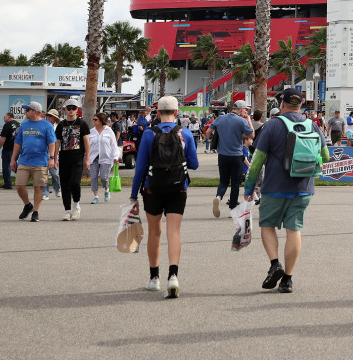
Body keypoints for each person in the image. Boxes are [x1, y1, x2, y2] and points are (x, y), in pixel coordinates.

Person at [244, 88, 321, 293]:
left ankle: (274, 264)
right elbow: (326, 155)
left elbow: (257, 161)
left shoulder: (273, 125)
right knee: (294, 230)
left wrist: (250, 188)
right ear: (301, 104)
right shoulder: (311, 124)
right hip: (303, 187)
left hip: (274, 187)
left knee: (267, 225)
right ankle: (287, 279)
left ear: (282, 103)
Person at [129, 95, 199, 298]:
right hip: (178, 188)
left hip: (153, 188)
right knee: (173, 232)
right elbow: (193, 164)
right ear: (176, 113)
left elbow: (140, 166)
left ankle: (154, 278)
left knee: (155, 232)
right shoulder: (185, 133)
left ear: (157, 113)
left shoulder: (150, 134)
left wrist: (134, 194)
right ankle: (174, 276)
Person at [11, 101, 58, 222]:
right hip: (24, 160)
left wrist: (51, 158)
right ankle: (28, 205)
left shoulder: (47, 125)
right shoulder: (24, 125)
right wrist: (13, 159)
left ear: (35, 112)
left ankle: (36, 212)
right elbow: (18, 143)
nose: (25, 112)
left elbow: (52, 143)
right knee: (19, 186)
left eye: (27, 110)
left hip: (40, 162)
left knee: (38, 187)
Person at [211, 101, 253, 218]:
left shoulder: (220, 118)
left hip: (222, 155)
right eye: (245, 109)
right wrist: (249, 120)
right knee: (235, 183)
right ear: (240, 109)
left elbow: (209, 131)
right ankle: (233, 208)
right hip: (236, 155)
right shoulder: (241, 121)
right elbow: (251, 135)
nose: (245, 111)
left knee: (223, 181)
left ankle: (218, 197)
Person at [54, 98, 90, 221]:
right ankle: (67, 211)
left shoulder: (82, 123)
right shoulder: (61, 125)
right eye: (68, 108)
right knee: (64, 185)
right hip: (64, 158)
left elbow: (86, 141)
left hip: (77, 158)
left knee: (74, 182)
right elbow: (57, 142)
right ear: (65, 109)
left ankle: (77, 206)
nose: (71, 110)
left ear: (77, 110)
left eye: (73, 108)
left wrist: (87, 158)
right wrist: (54, 158)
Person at [89, 112, 120, 204]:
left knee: (103, 177)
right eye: (93, 119)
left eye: (96, 119)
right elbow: (87, 145)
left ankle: (106, 189)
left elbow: (114, 145)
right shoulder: (91, 131)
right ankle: (96, 196)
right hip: (93, 157)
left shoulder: (109, 131)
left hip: (106, 157)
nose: (94, 121)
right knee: (94, 177)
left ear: (101, 121)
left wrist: (115, 157)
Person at [0, 111, 18, 189]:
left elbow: (3, 138)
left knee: (6, 166)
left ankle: (8, 184)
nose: (4, 118)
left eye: (4, 117)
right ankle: (23, 179)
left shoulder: (7, 125)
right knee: (14, 164)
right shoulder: (19, 124)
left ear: (9, 117)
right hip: (17, 148)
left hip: (8, 148)